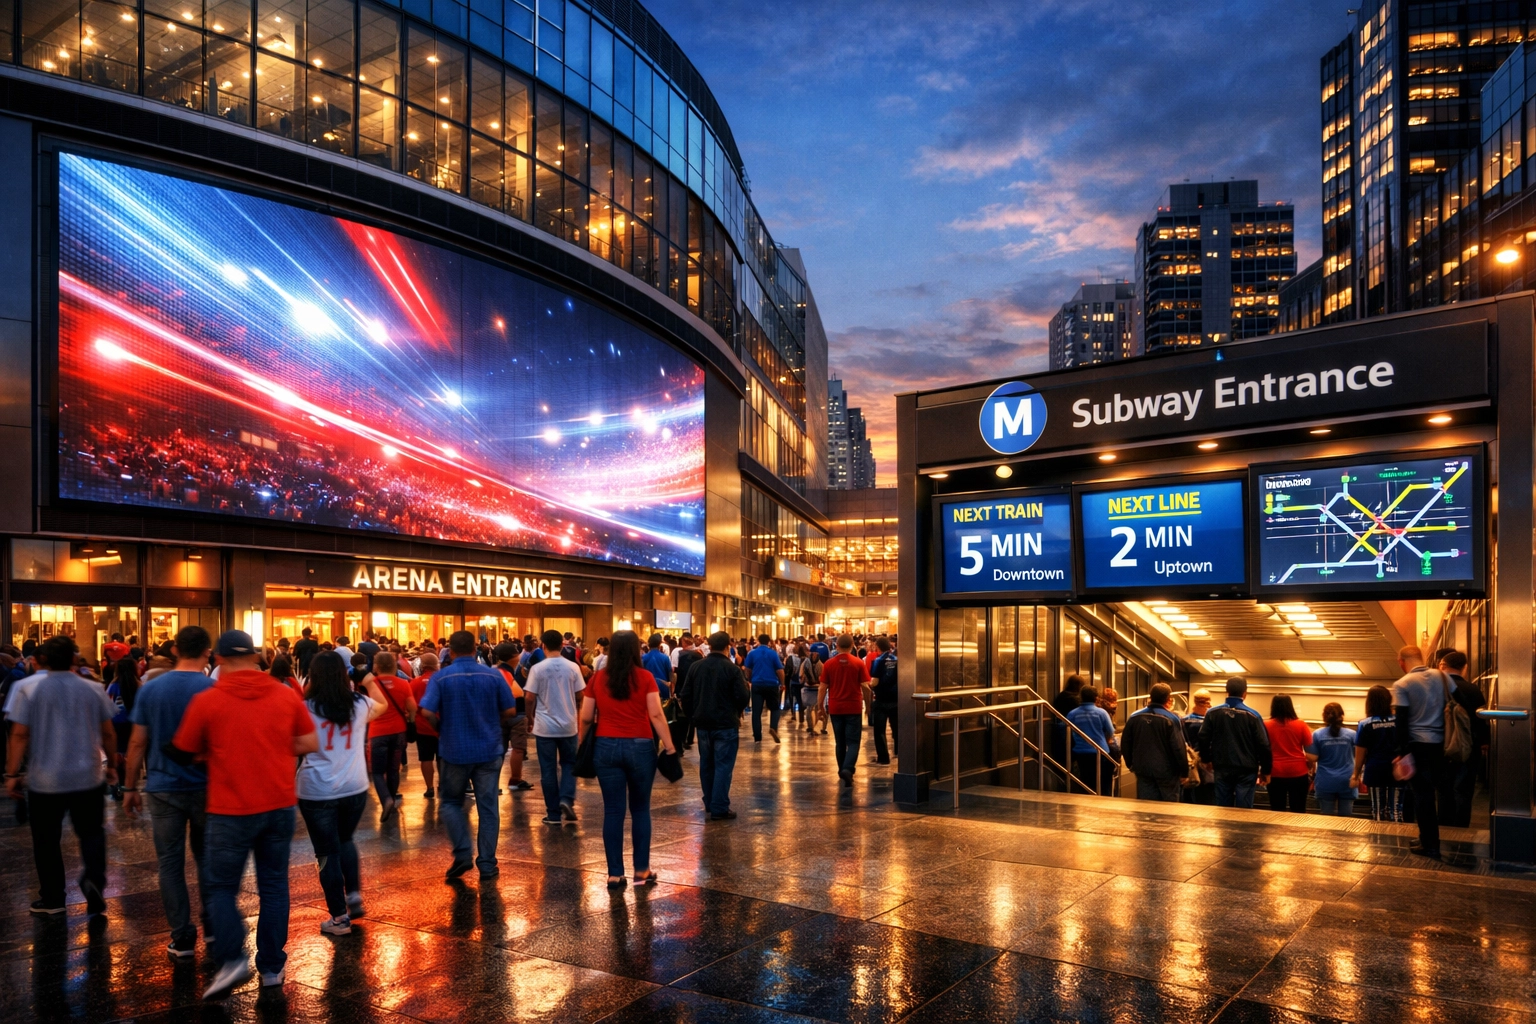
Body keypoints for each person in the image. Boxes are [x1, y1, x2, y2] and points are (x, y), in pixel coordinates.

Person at [169, 630, 318, 1000]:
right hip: (279, 805)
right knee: (273, 885)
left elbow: (183, 751)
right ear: (255, 657)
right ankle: (272, 967)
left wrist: (217, 751)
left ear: (218, 659)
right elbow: (309, 742)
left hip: (230, 809)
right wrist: (269, 744)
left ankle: (233, 957)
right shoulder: (284, 694)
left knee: (221, 887)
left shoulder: (208, 699)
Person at [4, 634, 118, 917]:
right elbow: (107, 732)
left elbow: (19, 735)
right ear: (74, 659)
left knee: (46, 839)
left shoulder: (26, 688)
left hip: (45, 778)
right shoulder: (92, 688)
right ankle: (93, 879)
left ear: (41, 659)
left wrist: (12, 772)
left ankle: (53, 897)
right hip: (88, 775)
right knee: (92, 833)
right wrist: (113, 765)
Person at [122, 626, 215, 957]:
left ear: (175, 650)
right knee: (208, 858)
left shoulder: (151, 688)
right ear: (207, 652)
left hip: (163, 787)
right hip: (206, 787)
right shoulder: (214, 689)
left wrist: (130, 786)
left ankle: (182, 935)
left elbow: (137, 742)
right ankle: (214, 926)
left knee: (170, 863)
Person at [578, 630, 677, 887]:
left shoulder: (598, 678)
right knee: (640, 809)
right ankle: (642, 870)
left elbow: (586, 716)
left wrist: (580, 743)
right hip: (641, 747)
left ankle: (614, 873)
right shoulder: (645, 677)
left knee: (613, 810)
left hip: (605, 747)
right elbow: (656, 714)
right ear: (635, 650)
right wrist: (669, 746)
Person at [297, 651, 386, 936]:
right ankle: (354, 894)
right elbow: (382, 705)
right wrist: (368, 680)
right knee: (345, 839)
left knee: (326, 853)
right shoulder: (358, 703)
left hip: (317, 789)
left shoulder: (305, 707)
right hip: (354, 786)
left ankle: (338, 917)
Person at [416, 631, 516, 880]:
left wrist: (441, 730)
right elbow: (510, 709)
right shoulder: (493, 675)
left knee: (451, 802)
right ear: (475, 649)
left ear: (450, 652)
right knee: (488, 808)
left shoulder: (441, 677)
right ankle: (487, 863)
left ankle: (462, 851)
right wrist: (493, 722)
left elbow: (426, 711)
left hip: (454, 750)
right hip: (489, 749)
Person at [682, 631, 750, 820]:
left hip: (703, 724)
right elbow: (743, 696)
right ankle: (719, 806)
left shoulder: (696, 667)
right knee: (723, 765)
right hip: (726, 724)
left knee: (706, 764)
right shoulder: (732, 669)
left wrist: (693, 715)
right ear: (728, 646)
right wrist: (736, 710)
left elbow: (685, 695)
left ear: (709, 646)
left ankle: (710, 802)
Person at [1391, 644, 1449, 859]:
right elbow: (1459, 700)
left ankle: (1430, 845)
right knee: (1433, 794)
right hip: (1441, 744)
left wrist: (1401, 751)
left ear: (1401, 662)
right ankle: (1427, 839)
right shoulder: (1442, 676)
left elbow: (1401, 720)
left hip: (1417, 745)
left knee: (1422, 797)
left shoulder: (1402, 683)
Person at [524, 629, 586, 826]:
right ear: (562, 645)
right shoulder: (573, 667)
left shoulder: (538, 669)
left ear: (543, 645)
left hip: (545, 727)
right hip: (568, 726)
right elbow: (581, 695)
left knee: (548, 770)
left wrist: (530, 717)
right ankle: (566, 798)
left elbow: (529, 697)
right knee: (569, 764)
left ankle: (553, 814)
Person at [1196, 677, 1272, 809]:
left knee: (1223, 807)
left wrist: (1206, 759)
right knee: (1244, 809)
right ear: (1245, 693)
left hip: (1222, 766)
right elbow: (1263, 744)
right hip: (1247, 769)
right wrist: (1266, 770)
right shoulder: (1253, 715)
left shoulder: (1212, 713)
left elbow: (1203, 737)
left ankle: (1224, 823)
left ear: (1227, 691)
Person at [1436, 649, 1485, 828]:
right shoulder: (1473, 690)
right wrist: (1483, 742)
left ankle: (1444, 825)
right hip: (1467, 747)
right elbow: (1480, 720)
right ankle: (1461, 827)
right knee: (1464, 789)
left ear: (1443, 666)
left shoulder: (1436, 688)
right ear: (1464, 667)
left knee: (1443, 789)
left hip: (1440, 745)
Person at [365, 652, 415, 820]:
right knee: (393, 769)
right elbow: (412, 707)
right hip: (398, 731)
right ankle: (392, 800)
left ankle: (386, 799)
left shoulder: (371, 684)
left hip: (378, 732)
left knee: (378, 772)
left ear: (376, 666)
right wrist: (411, 719)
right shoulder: (403, 683)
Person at [818, 634, 872, 788]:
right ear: (853, 645)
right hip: (853, 707)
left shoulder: (829, 664)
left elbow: (822, 687)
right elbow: (865, 687)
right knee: (853, 742)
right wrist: (868, 707)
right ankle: (848, 769)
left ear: (836, 646)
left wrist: (820, 706)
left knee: (840, 742)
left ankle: (841, 770)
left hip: (835, 707)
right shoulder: (858, 663)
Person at [1120, 683, 1187, 802]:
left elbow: (1125, 742)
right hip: (1168, 771)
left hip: (1142, 769)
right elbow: (1178, 747)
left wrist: (1130, 764)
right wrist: (1184, 771)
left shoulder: (1134, 717)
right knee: (1169, 805)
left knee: (1146, 804)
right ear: (1168, 699)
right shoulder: (1172, 719)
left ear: (1150, 697)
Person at [1352, 684, 1404, 821]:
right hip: (1397, 767)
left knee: (1378, 810)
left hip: (1375, 769)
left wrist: (1356, 774)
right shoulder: (1399, 721)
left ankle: (1379, 834)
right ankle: (1398, 834)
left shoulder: (1365, 724)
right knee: (1396, 810)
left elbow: (1360, 753)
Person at [1265, 694, 1314, 813]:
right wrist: (1310, 766)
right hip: (1298, 772)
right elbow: (1310, 752)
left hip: (1275, 772)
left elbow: (1263, 749)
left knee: (1277, 809)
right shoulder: (1301, 724)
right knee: (1298, 809)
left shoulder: (1266, 725)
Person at [1066, 685, 1117, 795]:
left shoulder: (1072, 714)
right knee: (1103, 782)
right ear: (1096, 698)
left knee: (1086, 782)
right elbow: (1110, 731)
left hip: (1081, 753)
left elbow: (1067, 730)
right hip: (1101, 752)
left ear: (1081, 697)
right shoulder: (1102, 713)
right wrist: (1106, 740)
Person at [1312, 702, 1357, 816]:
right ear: (1342, 715)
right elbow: (1358, 755)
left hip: (1325, 781)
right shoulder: (1352, 735)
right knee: (1346, 819)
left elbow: (1313, 757)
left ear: (1324, 716)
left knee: (1327, 820)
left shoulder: (1317, 734)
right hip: (1347, 780)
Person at [106, 656, 140, 800]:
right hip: (134, 724)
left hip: (116, 724)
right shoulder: (139, 685)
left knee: (119, 755)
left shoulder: (113, 686)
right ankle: (131, 783)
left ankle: (120, 786)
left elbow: (107, 705)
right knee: (132, 753)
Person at [744, 632, 785, 744]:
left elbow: (747, 669)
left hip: (757, 684)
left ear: (758, 641)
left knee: (756, 712)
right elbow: (779, 670)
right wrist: (782, 683)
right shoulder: (773, 653)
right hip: (771, 684)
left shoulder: (752, 653)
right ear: (768, 642)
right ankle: (773, 728)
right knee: (775, 708)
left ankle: (757, 737)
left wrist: (750, 679)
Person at [409, 653, 440, 799]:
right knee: (442, 758)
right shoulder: (442, 680)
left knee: (426, 758)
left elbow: (410, 705)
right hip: (441, 725)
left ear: (422, 666)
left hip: (422, 726)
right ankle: (443, 784)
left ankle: (429, 787)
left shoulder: (415, 683)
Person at [1181, 689, 1216, 804]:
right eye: (1206, 702)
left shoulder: (1184, 720)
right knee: (1205, 794)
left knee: (1192, 792)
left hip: (1190, 761)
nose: (1209, 705)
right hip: (1202, 761)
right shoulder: (1210, 721)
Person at [869, 637, 899, 765]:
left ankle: (883, 757)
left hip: (881, 700)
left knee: (880, 730)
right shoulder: (896, 659)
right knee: (896, 728)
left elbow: (874, 681)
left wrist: (871, 686)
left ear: (878, 647)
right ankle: (898, 752)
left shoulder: (878, 660)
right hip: (895, 699)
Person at [800, 647, 824, 734]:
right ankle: (811, 727)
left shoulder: (807, 663)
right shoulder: (820, 664)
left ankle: (812, 727)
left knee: (813, 708)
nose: (814, 654)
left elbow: (801, 676)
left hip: (813, 688)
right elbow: (801, 676)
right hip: (811, 688)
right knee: (811, 708)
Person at [642, 633, 674, 700]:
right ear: (659, 644)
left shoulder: (643, 657)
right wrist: (672, 691)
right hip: (663, 686)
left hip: (647, 686)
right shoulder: (665, 658)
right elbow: (670, 674)